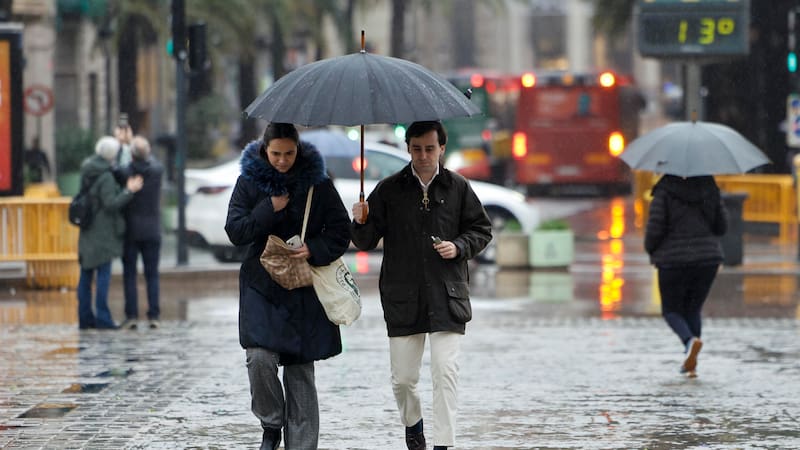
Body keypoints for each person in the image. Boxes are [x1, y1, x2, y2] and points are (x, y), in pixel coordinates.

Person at [351, 121, 492, 450]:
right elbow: (365, 240)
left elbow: (481, 230)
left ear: (442, 148)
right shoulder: (389, 189)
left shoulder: (458, 187)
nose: (424, 155)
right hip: (403, 296)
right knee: (403, 380)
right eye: (417, 149)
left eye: (430, 148)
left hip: (448, 295)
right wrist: (360, 220)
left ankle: (444, 444)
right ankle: (413, 426)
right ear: (408, 148)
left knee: (445, 374)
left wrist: (458, 247)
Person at [225, 123, 350, 450]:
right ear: (265, 150)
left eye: (289, 153)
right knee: (259, 358)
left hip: (303, 287)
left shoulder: (317, 184)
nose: (282, 160)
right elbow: (236, 231)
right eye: (276, 154)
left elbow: (340, 231)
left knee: (300, 371)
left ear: (298, 149)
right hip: (261, 285)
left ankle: (303, 446)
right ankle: (271, 423)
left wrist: (314, 248)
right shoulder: (249, 181)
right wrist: (269, 208)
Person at [644, 174, 729, 378]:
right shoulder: (710, 187)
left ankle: (689, 342)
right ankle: (692, 361)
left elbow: (655, 228)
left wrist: (650, 248)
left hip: (673, 261)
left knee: (671, 310)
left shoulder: (664, 191)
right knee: (692, 309)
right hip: (707, 259)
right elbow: (722, 227)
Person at [77, 136, 143, 330]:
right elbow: (111, 204)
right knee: (103, 275)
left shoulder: (87, 169)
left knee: (86, 275)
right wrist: (128, 191)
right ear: (111, 156)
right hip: (102, 232)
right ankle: (103, 319)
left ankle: (85, 318)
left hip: (88, 229)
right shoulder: (105, 176)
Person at [120, 136, 164, 330]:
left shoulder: (125, 172)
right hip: (152, 230)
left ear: (131, 155)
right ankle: (153, 315)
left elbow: (117, 167)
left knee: (129, 275)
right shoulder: (157, 170)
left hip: (130, 231)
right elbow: (152, 161)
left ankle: (131, 316)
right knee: (152, 275)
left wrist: (123, 143)